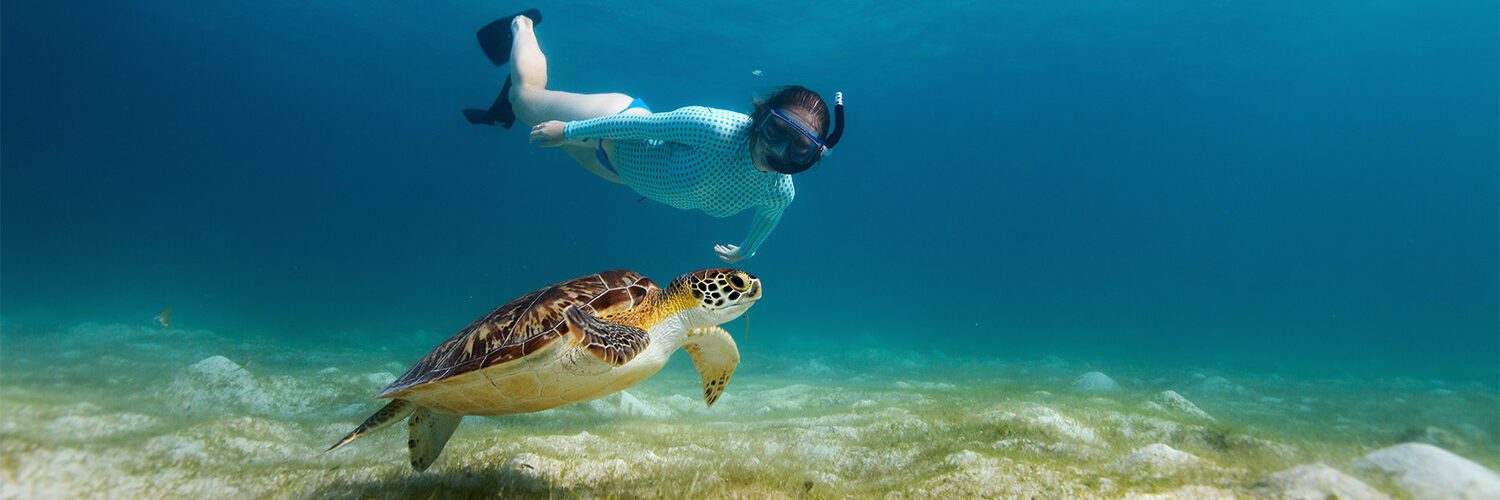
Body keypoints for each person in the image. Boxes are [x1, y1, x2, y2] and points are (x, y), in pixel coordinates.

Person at [462, 10, 845, 263]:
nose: (777, 150)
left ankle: (503, 111)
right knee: (525, 101)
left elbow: (769, 217)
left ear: (813, 156)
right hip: (614, 122)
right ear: (760, 117)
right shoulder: (714, 126)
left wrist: (748, 251)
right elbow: (642, 127)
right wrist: (570, 131)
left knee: (525, 115)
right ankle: (521, 27)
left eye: (798, 147)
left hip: (620, 173)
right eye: (777, 130)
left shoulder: (779, 190)